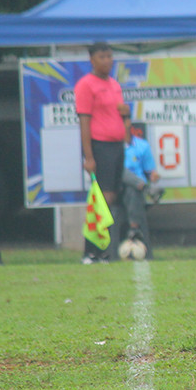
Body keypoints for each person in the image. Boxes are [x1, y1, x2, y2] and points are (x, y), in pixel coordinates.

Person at [75, 41, 129, 263]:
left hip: (117, 146)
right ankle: (91, 251)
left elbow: (120, 116)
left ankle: (104, 249)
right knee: (102, 198)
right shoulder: (86, 85)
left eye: (109, 56)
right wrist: (89, 156)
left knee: (112, 197)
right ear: (92, 60)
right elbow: (84, 122)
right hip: (100, 146)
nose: (107, 61)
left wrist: (126, 115)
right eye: (102, 57)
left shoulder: (114, 84)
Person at [119, 118, 163, 258]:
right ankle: (146, 189)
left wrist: (154, 176)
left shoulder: (142, 146)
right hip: (117, 187)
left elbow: (150, 171)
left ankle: (134, 228)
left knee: (134, 191)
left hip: (135, 190)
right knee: (122, 172)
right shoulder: (112, 147)